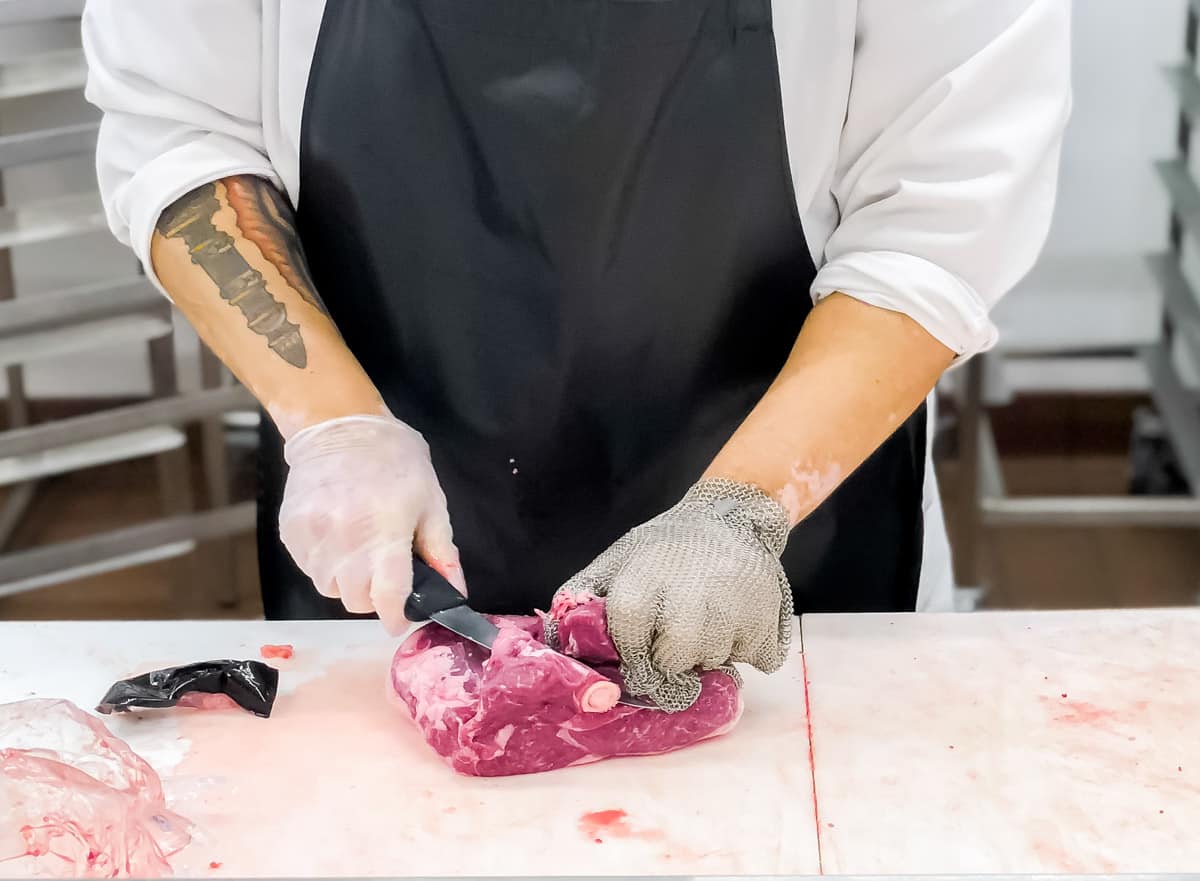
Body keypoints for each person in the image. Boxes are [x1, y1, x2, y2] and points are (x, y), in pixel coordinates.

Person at [82, 0, 1070, 709]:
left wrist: (738, 512)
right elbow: (182, 130)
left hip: (784, 546)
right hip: (393, 548)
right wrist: (335, 425)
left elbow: (941, 217)